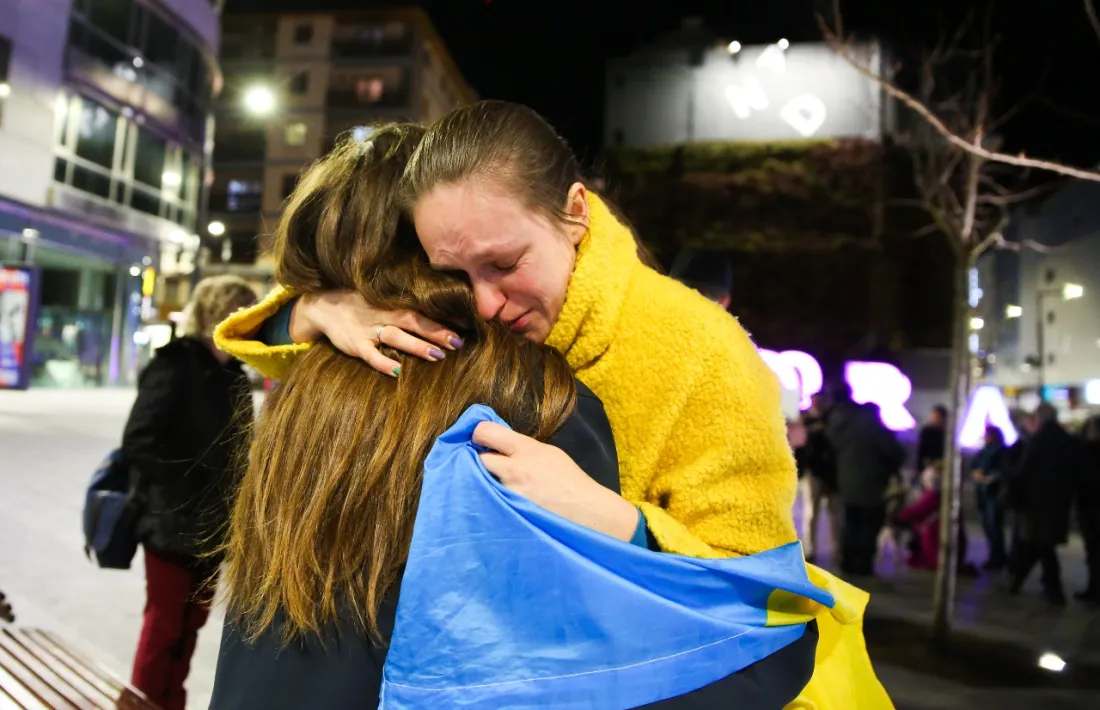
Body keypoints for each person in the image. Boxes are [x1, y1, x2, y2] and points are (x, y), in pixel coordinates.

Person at [215, 103, 892, 708]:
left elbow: (760, 584)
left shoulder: (699, 350)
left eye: (504, 264)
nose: (481, 302)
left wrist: (619, 522)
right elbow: (281, 350)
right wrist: (317, 308)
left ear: (573, 212)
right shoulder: (458, 337)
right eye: (452, 274)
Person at [122, 275, 256, 710]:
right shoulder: (175, 364)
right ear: (218, 313)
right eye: (241, 310)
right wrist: (184, 491)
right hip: (169, 522)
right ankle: (140, 703)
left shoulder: (233, 374)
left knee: (191, 626)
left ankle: (170, 704)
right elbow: (139, 439)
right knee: (163, 626)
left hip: (212, 528)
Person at [825, 388, 905, 577]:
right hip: (873, 487)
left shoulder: (846, 430)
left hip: (847, 485)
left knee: (851, 524)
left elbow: (832, 448)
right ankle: (863, 564)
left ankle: (847, 561)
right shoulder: (879, 430)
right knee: (869, 527)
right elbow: (897, 454)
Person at [1008, 403, 1081, 607]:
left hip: (1036, 502)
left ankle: (1047, 588)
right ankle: (1041, 586)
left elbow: (1023, 470)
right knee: (1042, 545)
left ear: (1039, 418)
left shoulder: (1037, 441)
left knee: (1039, 545)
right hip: (1058, 502)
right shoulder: (1069, 441)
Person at [795, 392, 842, 564]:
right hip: (815, 473)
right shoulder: (809, 420)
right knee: (812, 512)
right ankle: (811, 549)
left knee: (831, 513)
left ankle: (835, 549)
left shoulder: (825, 420)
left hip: (827, 474)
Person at [971, 425, 1008, 570]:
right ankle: (995, 555)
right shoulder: (984, 450)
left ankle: (998, 557)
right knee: (988, 525)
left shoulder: (1000, 451)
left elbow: (1003, 470)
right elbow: (975, 466)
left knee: (994, 526)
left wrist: (988, 477)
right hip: (984, 491)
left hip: (993, 492)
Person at [1076, 416, 1100, 605]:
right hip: (1089, 505)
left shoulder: (1088, 451)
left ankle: (1094, 590)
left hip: (1090, 506)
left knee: (1093, 551)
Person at [916, 405, 948, 475]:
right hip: (929, 465)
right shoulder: (926, 431)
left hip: (943, 465)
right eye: (933, 415)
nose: (933, 418)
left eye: (937, 417)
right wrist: (918, 468)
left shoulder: (947, 434)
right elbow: (921, 451)